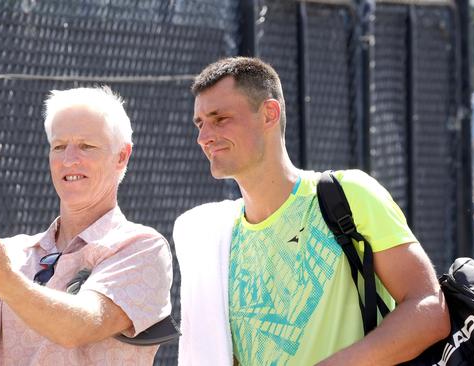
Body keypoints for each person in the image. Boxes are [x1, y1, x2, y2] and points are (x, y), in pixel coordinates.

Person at [173, 57, 450, 365]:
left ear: (269, 114)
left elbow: (429, 309)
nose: (204, 137)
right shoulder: (216, 239)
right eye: (200, 124)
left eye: (220, 118)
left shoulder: (349, 195)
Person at [0, 86, 173, 365]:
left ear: (121, 156)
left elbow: (78, 327)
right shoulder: (14, 252)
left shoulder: (140, 247)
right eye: (59, 146)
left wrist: (3, 279)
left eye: (86, 146)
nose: (69, 160)